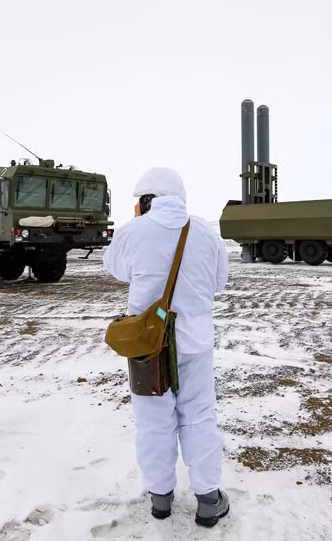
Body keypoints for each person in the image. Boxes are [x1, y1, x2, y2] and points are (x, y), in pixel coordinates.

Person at [103, 166, 231, 527]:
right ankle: (208, 499)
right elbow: (219, 283)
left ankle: (160, 498)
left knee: (153, 421)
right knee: (200, 416)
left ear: (146, 200)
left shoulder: (133, 231)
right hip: (195, 342)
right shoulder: (206, 232)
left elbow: (116, 269)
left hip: (149, 345)